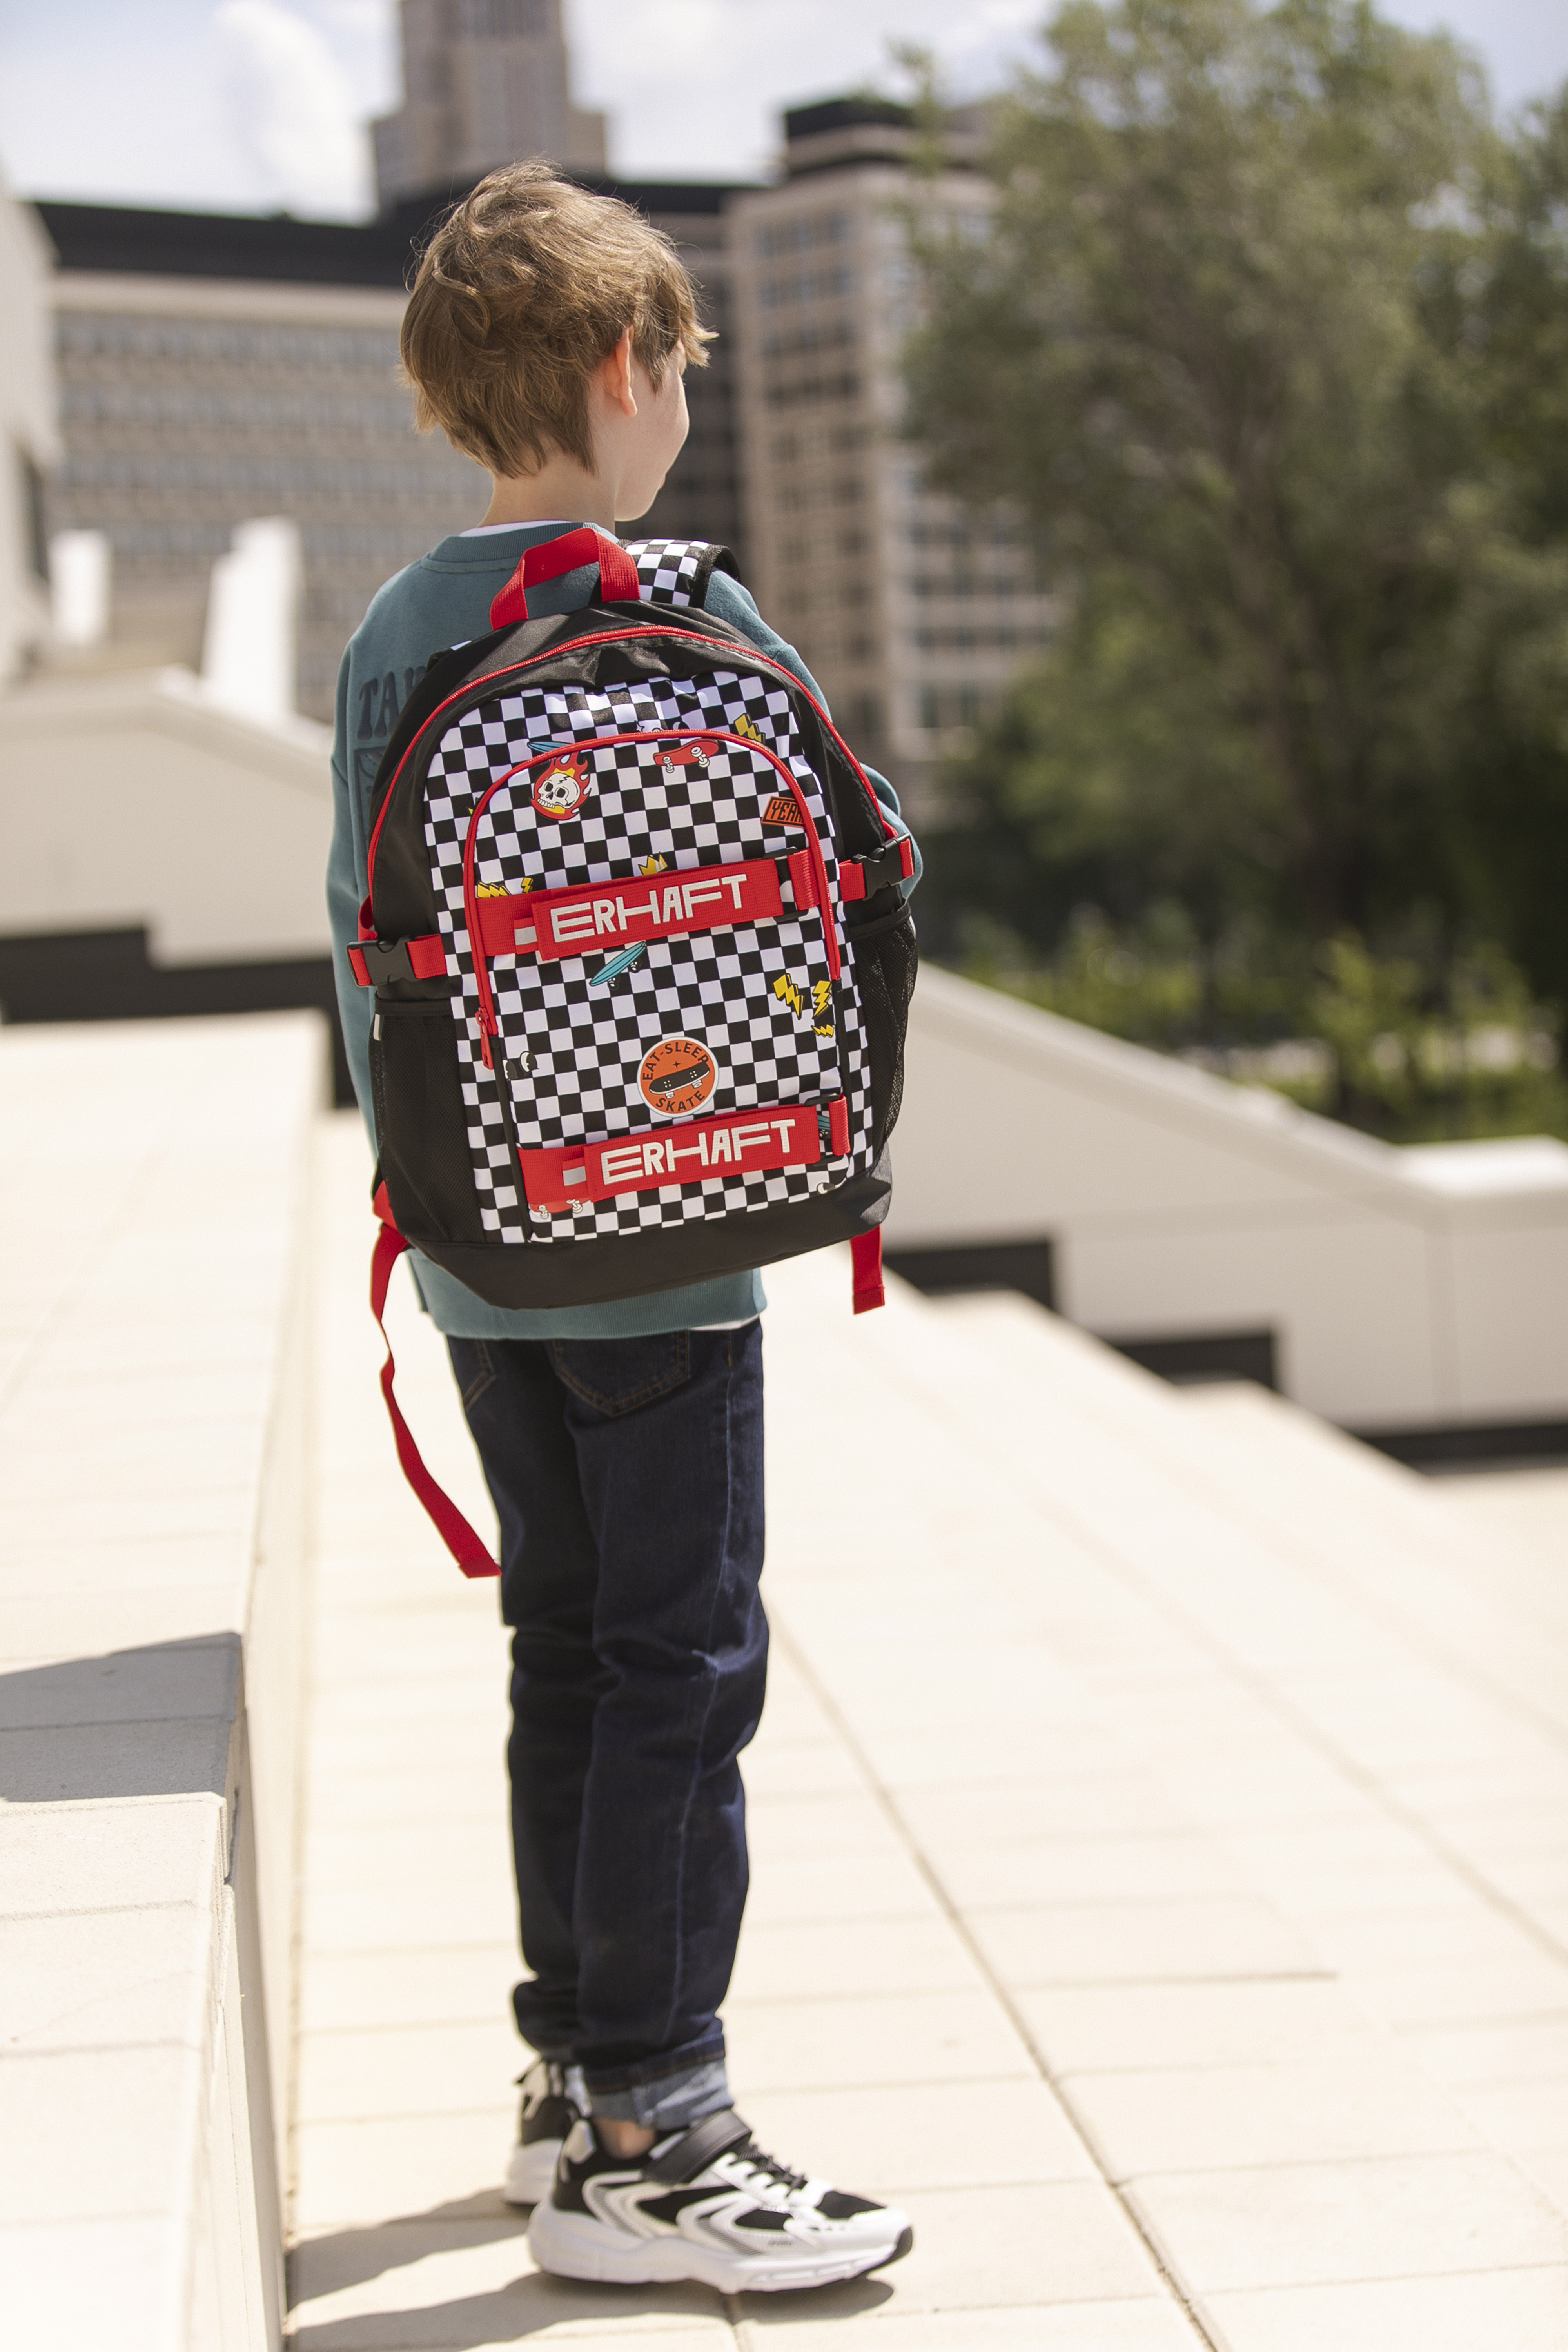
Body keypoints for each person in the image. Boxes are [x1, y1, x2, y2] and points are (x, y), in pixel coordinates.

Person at [327, 163, 918, 2296]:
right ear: (618, 370)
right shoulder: (687, 602)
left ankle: (573, 2080)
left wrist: (443, 1192)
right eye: (680, 360)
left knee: (569, 1651)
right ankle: (664, 2126)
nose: (686, 393)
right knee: (687, 1661)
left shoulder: (403, 631)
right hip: (672, 1247)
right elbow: (867, 858)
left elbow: (362, 946)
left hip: (489, 1246)